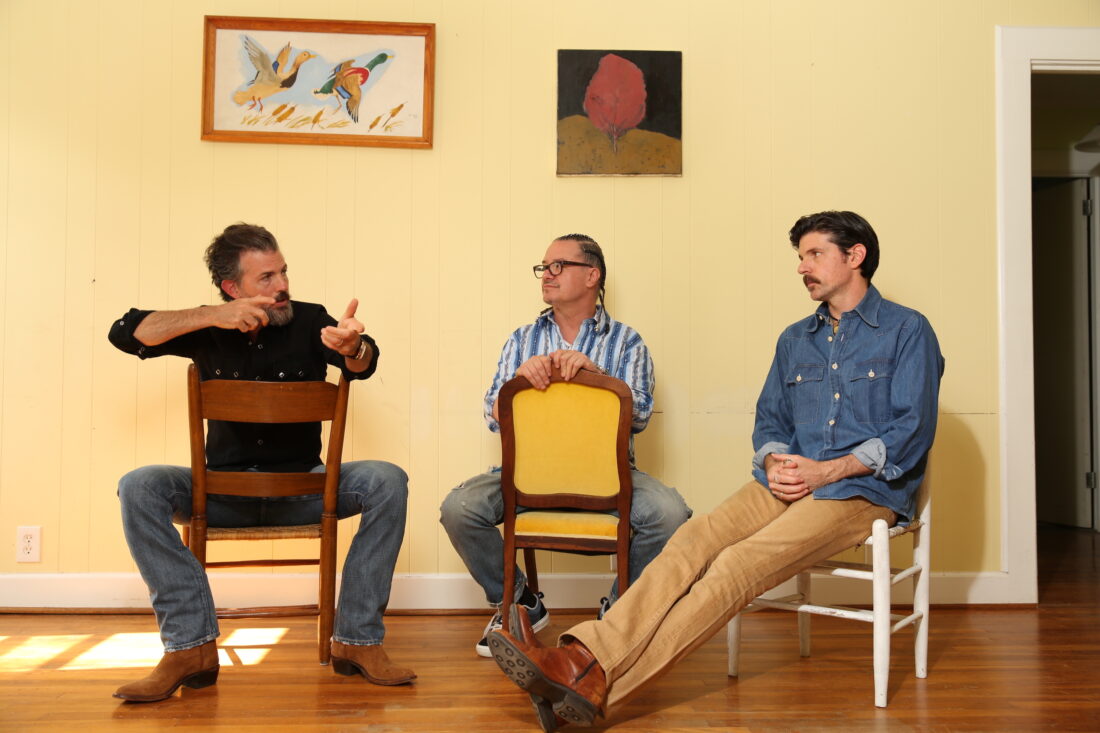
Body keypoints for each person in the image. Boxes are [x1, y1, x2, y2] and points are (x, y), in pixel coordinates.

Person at [486, 211, 944, 730]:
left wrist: (826, 472)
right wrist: (774, 460)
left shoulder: (908, 330)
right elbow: (770, 421)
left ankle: (593, 685)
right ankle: (580, 661)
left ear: (855, 255)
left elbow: (912, 430)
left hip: (860, 490)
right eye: (801, 257)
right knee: (693, 539)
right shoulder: (796, 339)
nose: (802, 267)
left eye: (814, 254)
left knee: (736, 564)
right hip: (786, 482)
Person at [109, 223, 415, 702]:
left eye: (283, 272)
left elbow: (364, 362)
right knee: (139, 485)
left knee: (387, 480)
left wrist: (355, 347)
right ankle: (190, 648)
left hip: (305, 492)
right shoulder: (206, 327)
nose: (282, 285)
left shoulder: (310, 319)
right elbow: (125, 332)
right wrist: (213, 315)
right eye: (267, 278)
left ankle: (357, 641)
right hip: (221, 495)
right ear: (233, 289)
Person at [440, 234, 692, 658]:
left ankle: (618, 613)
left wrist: (597, 378)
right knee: (459, 509)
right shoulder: (521, 339)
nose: (547, 274)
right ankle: (518, 604)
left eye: (558, 265)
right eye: (544, 267)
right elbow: (492, 414)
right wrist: (519, 382)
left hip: (611, 478)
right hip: (525, 479)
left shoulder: (627, 342)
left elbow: (641, 416)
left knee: (670, 515)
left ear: (592, 275)